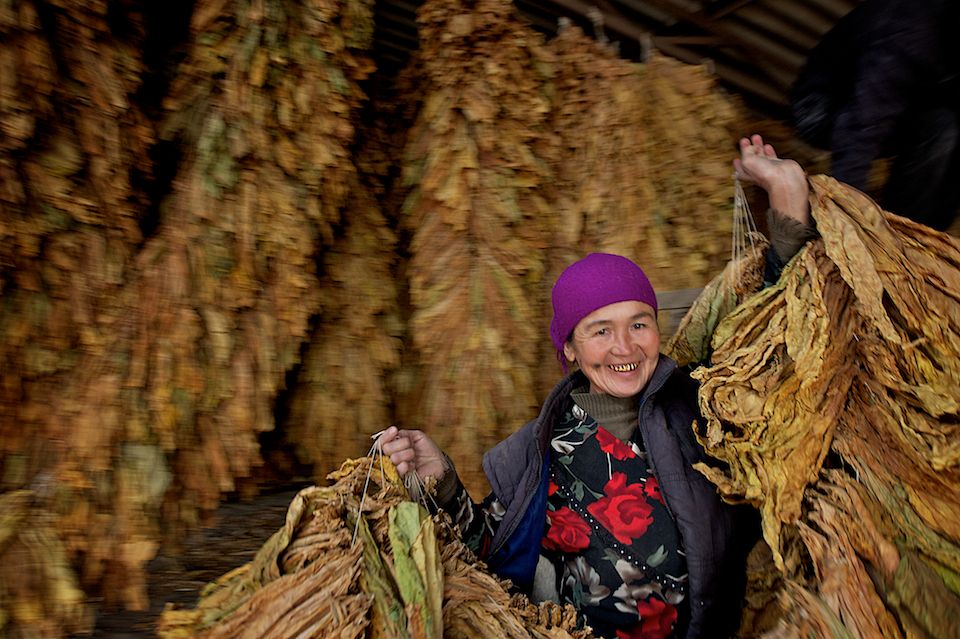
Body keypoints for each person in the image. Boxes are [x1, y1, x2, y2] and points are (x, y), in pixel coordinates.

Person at [380, 135, 815, 639]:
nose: (624, 347)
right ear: (569, 348)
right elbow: (493, 556)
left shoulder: (704, 406)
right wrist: (444, 482)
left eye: (639, 324)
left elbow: (777, 325)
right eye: (600, 331)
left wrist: (786, 191)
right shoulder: (536, 453)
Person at [789, 0, 960, 231]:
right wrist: (845, 219)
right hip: (823, 108)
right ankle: (899, 232)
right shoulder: (908, 31)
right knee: (942, 129)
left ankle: (930, 235)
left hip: (903, 104)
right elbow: (861, 128)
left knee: (949, 129)